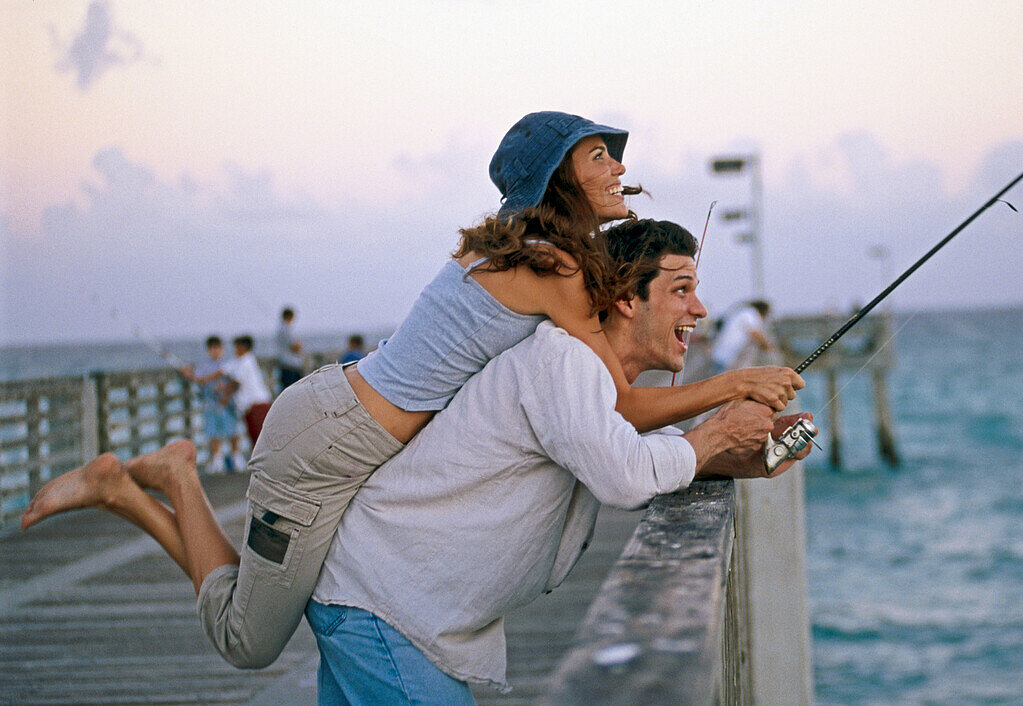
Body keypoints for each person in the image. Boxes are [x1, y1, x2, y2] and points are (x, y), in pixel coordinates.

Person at [20, 112, 803, 672]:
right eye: (599, 156)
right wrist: (730, 388)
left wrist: (721, 434)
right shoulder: (555, 270)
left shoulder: (546, 257)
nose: (618, 168)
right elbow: (618, 409)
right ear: (563, 178)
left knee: (292, 623)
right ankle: (161, 481)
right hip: (326, 445)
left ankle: (148, 482)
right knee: (248, 643)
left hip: (344, 426)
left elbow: (606, 411)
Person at [308, 218, 813, 706]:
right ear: (625, 299)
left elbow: (617, 448)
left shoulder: (586, 378)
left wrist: (735, 456)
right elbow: (625, 475)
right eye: (681, 290)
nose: (700, 310)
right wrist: (718, 433)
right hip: (381, 603)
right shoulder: (564, 359)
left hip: (371, 594)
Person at [183, 336, 246, 474]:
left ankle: (236, 457)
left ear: (222, 349)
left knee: (233, 431)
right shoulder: (203, 366)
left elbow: (237, 380)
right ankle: (217, 460)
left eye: (217, 348)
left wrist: (225, 388)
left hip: (228, 404)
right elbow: (199, 381)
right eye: (212, 348)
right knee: (213, 432)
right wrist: (189, 374)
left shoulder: (229, 363)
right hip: (210, 404)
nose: (215, 351)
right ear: (208, 350)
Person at [221, 335, 272, 451]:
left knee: (259, 437)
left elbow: (235, 382)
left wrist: (226, 396)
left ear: (243, 347)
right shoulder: (242, 361)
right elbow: (224, 370)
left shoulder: (246, 361)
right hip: (252, 406)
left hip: (257, 405)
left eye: (237, 347)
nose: (235, 350)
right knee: (255, 437)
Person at [711, 299, 777, 372]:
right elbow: (755, 333)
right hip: (728, 356)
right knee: (723, 380)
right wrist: (768, 347)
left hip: (723, 354)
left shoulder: (743, 313)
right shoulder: (751, 314)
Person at [275, 306, 304, 391]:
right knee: (293, 390)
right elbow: (294, 347)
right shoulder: (286, 329)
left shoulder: (281, 329)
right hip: (290, 365)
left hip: (286, 363)